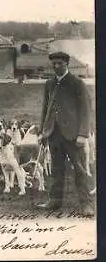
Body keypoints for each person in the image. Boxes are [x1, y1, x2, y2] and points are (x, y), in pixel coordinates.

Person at [36, 51, 94, 216]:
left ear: (66, 64)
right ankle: (54, 201)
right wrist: (43, 132)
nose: (56, 66)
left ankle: (86, 204)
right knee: (56, 169)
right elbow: (45, 109)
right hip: (54, 134)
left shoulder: (76, 83)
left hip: (74, 135)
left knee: (80, 169)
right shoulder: (49, 83)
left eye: (59, 63)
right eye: (53, 63)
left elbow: (85, 109)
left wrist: (83, 134)